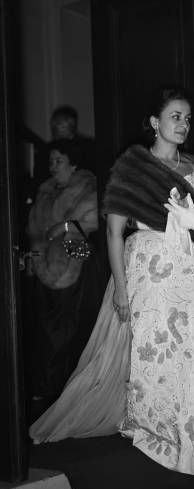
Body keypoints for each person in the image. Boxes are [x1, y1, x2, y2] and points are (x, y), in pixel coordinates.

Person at [30, 88, 194, 489]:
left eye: (188, 118)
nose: (183, 124)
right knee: (158, 363)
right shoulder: (132, 167)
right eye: (175, 116)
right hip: (151, 273)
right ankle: (164, 441)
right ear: (154, 122)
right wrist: (121, 291)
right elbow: (111, 233)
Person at [26, 139, 98, 407]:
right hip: (46, 268)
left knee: (70, 328)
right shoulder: (45, 192)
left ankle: (72, 390)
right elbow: (34, 231)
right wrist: (33, 258)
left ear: (73, 164)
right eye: (51, 162)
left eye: (59, 161)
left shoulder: (87, 189)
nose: (53, 167)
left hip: (76, 267)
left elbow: (94, 224)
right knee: (45, 330)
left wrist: (67, 226)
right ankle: (47, 388)